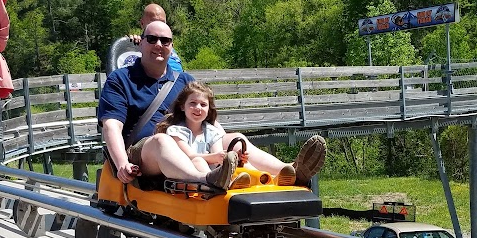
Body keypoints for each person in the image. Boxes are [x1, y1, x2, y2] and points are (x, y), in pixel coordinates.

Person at [99, 21, 326, 190]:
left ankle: (290, 172)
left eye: (165, 41)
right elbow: (112, 127)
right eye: (152, 39)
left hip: (192, 144)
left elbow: (209, 121)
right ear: (142, 43)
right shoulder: (121, 79)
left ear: (171, 47)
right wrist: (121, 164)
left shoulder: (184, 80)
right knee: (162, 140)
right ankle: (205, 179)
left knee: (234, 138)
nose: (158, 45)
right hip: (145, 154)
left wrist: (229, 149)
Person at [155, 81, 326, 188]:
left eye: (203, 105)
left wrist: (234, 158)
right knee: (199, 159)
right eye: (192, 104)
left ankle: (274, 178)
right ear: (182, 107)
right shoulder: (177, 130)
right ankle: (222, 182)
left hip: (217, 170)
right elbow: (189, 155)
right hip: (194, 170)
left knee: (239, 162)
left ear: (209, 109)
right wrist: (215, 157)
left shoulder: (211, 131)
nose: (198, 108)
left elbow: (219, 155)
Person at [127, 3, 184, 73]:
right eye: (154, 21)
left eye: (162, 22)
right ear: (142, 23)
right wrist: (128, 43)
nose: (158, 25)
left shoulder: (167, 47)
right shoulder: (133, 45)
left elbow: (177, 72)